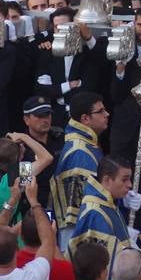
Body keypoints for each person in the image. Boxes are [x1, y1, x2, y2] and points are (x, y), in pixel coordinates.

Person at [51, 91, 108, 245]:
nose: (107, 114)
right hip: (70, 227)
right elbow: (80, 201)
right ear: (85, 119)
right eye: (101, 111)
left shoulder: (82, 142)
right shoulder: (80, 152)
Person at [69, 156, 135, 272]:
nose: (130, 185)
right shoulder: (95, 212)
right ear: (107, 181)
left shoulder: (108, 202)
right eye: (125, 179)